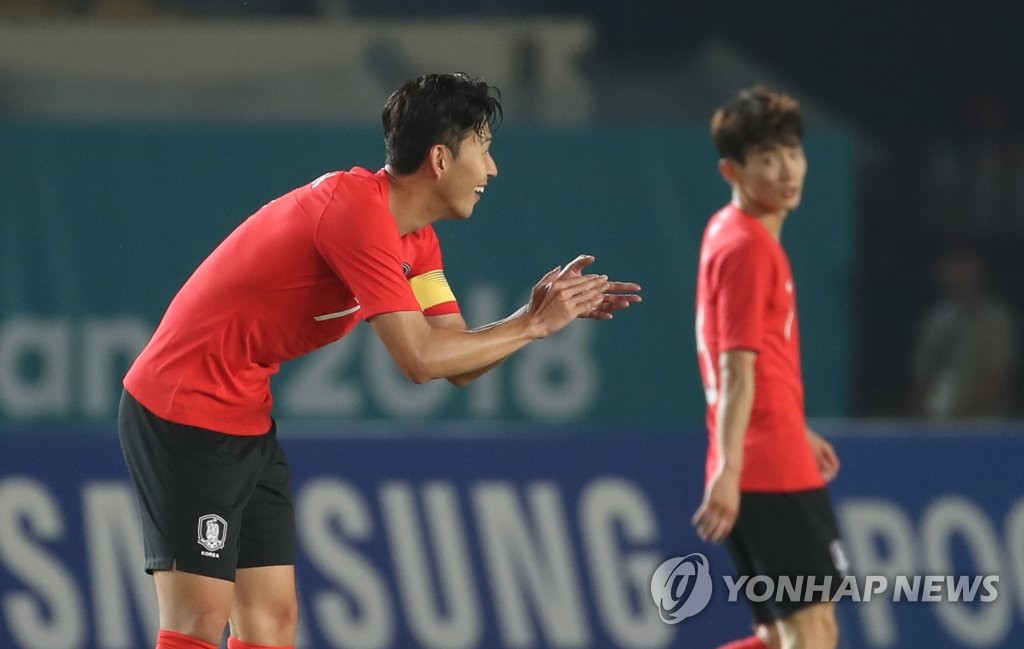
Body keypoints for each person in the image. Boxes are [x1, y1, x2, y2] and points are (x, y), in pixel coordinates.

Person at [118, 72, 641, 649]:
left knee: (272, 623)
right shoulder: (356, 212)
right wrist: (532, 325)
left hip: (245, 416)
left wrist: (531, 320)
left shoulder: (416, 240)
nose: (493, 170)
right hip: (182, 410)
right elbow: (418, 359)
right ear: (440, 159)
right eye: (484, 149)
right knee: (198, 621)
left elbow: (456, 361)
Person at [691, 86, 844, 649]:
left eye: (793, 152)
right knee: (811, 633)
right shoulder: (749, 248)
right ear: (732, 170)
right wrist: (731, 469)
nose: (787, 170)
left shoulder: (728, 231)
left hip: (770, 450)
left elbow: (749, 357)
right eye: (767, 157)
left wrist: (794, 428)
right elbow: (735, 368)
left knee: (784, 635)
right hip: (768, 467)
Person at [909, 244, 1018, 419]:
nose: (955, 270)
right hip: (936, 423)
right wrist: (927, 417)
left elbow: (998, 378)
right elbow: (922, 376)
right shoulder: (935, 319)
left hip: (984, 424)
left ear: (978, 266)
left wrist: (958, 414)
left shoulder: (996, 318)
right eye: (950, 262)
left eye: (962, 262)